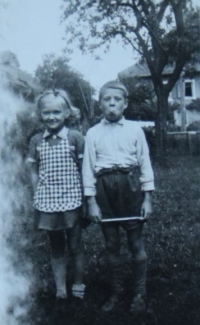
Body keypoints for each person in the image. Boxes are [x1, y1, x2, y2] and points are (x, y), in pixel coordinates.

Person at [82, 81, 155, 313]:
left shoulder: (135, 130)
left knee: (135, 243)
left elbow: (145, 164)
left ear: (125, 104)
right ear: (100, 104)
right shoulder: (93, 133)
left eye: (117, 100)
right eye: (106, 100)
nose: (112, 104)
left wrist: (147, 198)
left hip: (130, 188)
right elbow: (88, 169)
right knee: (111, 244)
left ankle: (140, 293)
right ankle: (116, 291)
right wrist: (91, 202)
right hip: (104, 190)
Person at [27, 89, 85, 300]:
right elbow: (33, 171)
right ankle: (61, 288)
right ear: (40, 114)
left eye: (56, 112)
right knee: (56, 247)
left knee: (75, 245)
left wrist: (86, 197)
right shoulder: (36, 141)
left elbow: (82, 169)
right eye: (46, 113)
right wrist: (37, 195)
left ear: (67, 113)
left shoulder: (75, 137)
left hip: (72, 199)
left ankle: (78, 285)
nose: (51, 117)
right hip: (48, 201)